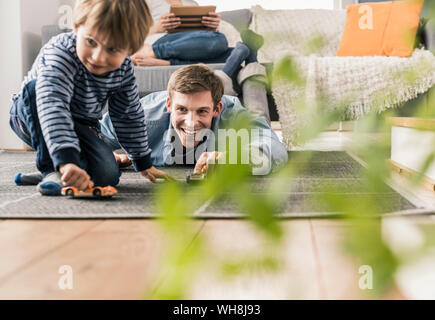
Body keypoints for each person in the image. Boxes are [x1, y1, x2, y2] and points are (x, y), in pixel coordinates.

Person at [9, 0, 174, 196]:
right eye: (91, 42)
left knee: (107, 176)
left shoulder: (124, 69)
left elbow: (127, 114)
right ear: (77, 27)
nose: (98, 57)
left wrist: (143, 163)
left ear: (130, 49)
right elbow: (52, 106)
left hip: (81, 121)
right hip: (33, 113)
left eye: (112, 49)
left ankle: (62, 173)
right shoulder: (61, 53)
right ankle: (53, 169)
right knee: (37, 90)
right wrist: (66, 160)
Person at [101, 64, 288, 176]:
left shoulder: (232, 114)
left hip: (242, 117)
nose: (191, 122)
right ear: (169, 105)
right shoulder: (141, 116)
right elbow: (88, 139)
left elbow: (275, 148)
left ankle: (252, 71)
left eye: (202, 112)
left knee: (258, 109)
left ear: (217, 109)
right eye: (181, 109)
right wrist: (102, 156)